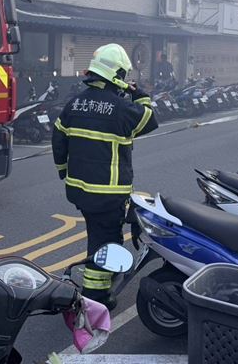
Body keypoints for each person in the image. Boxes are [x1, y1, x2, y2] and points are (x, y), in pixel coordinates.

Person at [52, 43, 158, 309]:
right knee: (104, 239)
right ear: (118, 76)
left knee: (98, 234)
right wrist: (140, 94)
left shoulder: (74, 104)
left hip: (79, 191)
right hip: (108, 194)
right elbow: (150, 118)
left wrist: (64, 172)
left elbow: (58, 139)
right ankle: (95, 297)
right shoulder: (121, 108)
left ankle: (105, 276)